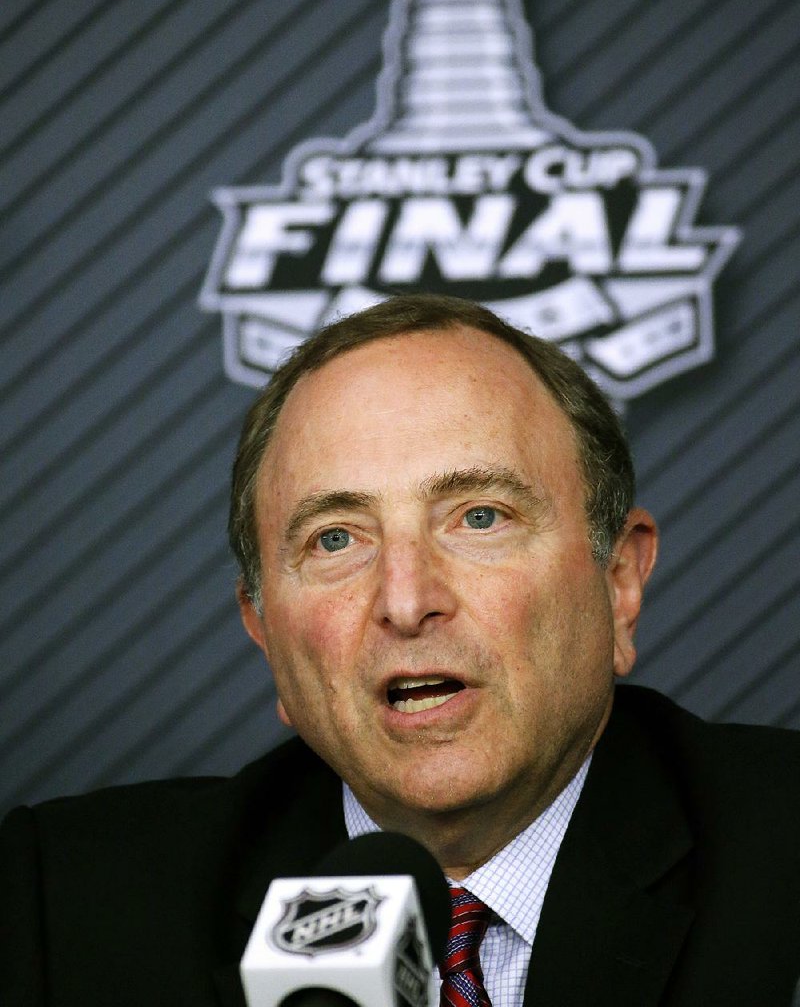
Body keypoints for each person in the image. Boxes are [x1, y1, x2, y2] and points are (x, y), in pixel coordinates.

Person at [1, 293, 799, 1006]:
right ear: (263, 628)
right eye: (337, 538)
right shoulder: (59, 906)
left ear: (618, 582)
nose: (407, 601)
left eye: (479, 517)